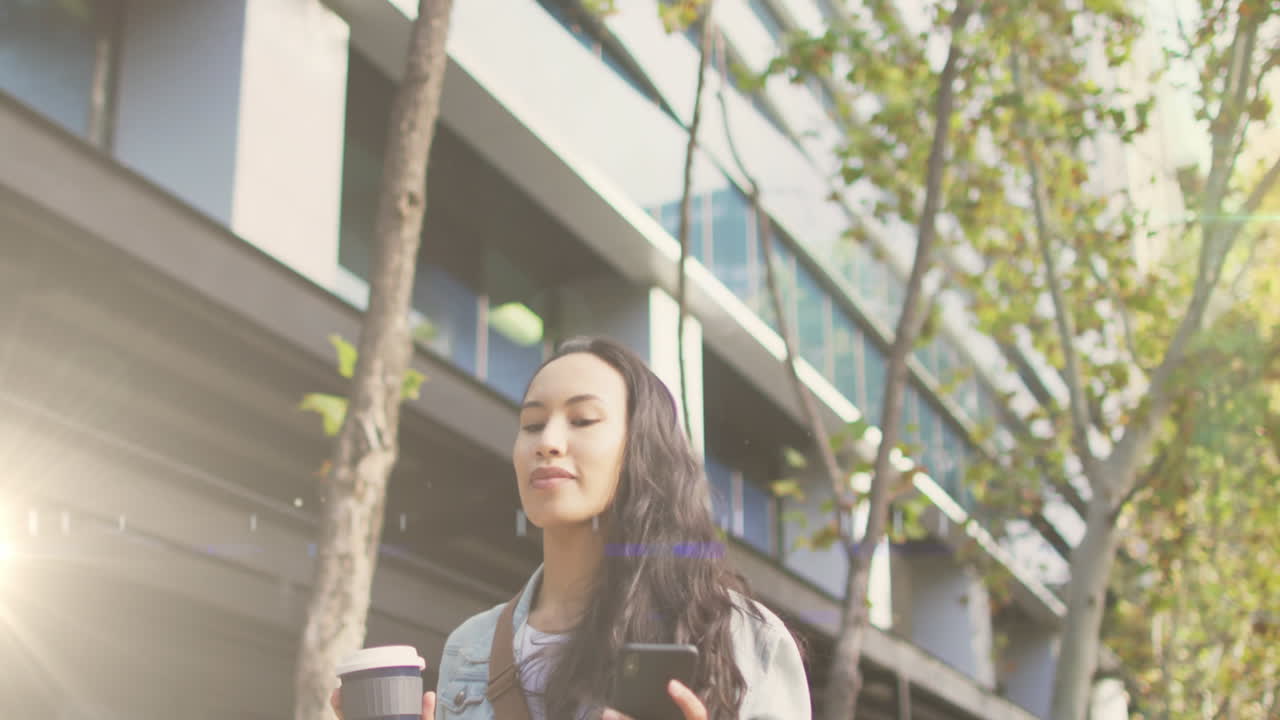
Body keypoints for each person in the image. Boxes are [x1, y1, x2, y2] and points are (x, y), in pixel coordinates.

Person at [332, 336, 811, 719]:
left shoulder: (741, 637)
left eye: (582, 419)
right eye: (533, 424)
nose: (549, 442)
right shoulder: (470, 647)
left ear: (641, 449)